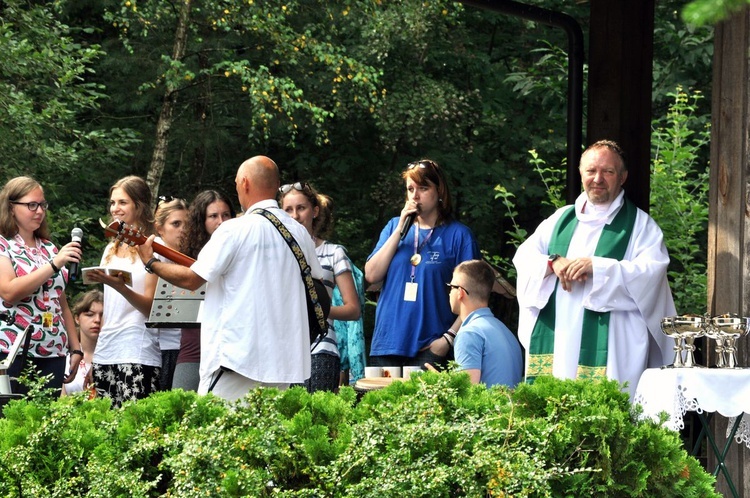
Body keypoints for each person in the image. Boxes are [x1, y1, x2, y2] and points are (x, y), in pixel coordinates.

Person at [135, 156, 323, 402]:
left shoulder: (234, 229)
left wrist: (151, 262)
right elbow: (318, 284)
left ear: (244, 183)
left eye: (236, 183)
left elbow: (193, 279)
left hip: (236, 359)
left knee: (216, 434)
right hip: (285, 362)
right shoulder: (299, 233)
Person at [512, 140, 675, 399]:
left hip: (612, 341)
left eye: (608, 172)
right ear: (580, 173)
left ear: (622, 177)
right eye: (591, 171)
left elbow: (650, 274)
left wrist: (598, 268)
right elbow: (524, 257)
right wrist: (553, 261)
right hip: (559, 336)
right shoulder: (560, 220)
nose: (597, 179)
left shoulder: (641, 227)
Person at [364, 158, 480, 369]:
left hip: (431, 347)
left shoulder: (459, 235)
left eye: (423, 188)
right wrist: (400, 230)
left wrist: (448, 339)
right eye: (410, 189)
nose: (415, 196)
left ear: (440, 192)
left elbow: (474, 296)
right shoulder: (393, 227)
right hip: (388, 344)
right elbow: (371, 275)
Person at [0, 176, 83, 394]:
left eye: (42, 205)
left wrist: (76, 348)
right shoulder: (3, 244)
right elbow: (9, 292)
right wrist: (54, 265)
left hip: (53, 349)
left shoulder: (49, 247)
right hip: (13, 350)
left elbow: (61, 302)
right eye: (31, 205)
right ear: (11, 207)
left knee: (44, 420)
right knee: (15, 419)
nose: (39, 211)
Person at [280, 183, 361, 392]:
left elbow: (353, 309)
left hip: (321, 348)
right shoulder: (276, 253)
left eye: (301, 208)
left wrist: (317, 311)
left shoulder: (333, 253)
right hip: (283, 350)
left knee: (317, 420)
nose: (295, 215)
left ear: (315, 211)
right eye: (288, 210)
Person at [88, 176, 160, 407]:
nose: (115, 209)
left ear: (139, 205)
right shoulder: (111, 247)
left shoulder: (154, 247)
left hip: (137, 349)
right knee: (106, 428)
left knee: (133, 429)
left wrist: (121, 287)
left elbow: (151, 308)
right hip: (106, 350)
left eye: (123, 202)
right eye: (112, 203)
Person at [172, 190, 235, 391]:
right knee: (180, 411)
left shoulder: (240, 251)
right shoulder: (187, 255)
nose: (221, 221)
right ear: (201, 220)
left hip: (228, 349)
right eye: (213, 216)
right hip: (194, 347)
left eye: (226, 215)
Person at [443, 259, 523, 388]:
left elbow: (467, 395)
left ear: (460, 293)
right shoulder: (506, 331)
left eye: (451, 287)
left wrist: (438, 385)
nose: (449, 292)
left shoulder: (469, 333)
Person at [152, 197, 188, 391]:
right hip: (162, 346)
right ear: (159, 228)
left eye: (186, 224)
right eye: (176, 224)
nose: (183, 229)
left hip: (187, 345)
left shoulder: (194, 255)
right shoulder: (153, 254)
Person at [61, 289, 103, 397]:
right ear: (77, 319)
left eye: (102, 315)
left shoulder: (116, 357)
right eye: (90, 314)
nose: (97, 320)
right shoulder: (65, 357)